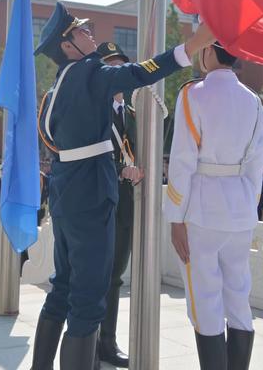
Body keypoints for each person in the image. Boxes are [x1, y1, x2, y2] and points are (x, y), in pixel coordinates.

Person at [30, 2, 214, 370]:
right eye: (82, 32)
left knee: (62, 288)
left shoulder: (58, 85)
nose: (90, 35)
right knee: (87, 300)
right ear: (67, 46)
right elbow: (138, 73)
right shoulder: (87, 73)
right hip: (90, 197)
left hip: (67, 195)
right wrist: (190, 47)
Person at [163, 42, 263, 369]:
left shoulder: (193, 95)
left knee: (205, 302)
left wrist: (175, 217)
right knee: (238, 297)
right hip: (239, 209)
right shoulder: (253, 101)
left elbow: (182, 160)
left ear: (209, 53)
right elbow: (256, 165)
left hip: (201, 211)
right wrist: (246, 205)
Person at [95, 42, 143, 369]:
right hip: (98, 204)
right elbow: (89, 160)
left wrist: (139, 171)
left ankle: (106, 342)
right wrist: (119, 169)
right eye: (111, 67)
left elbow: (140, 154)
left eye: (121, 66)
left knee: (114, 278)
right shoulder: (92, 111)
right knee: (94, 277)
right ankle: (89, 340)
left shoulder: (135, 115)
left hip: (125, 204)